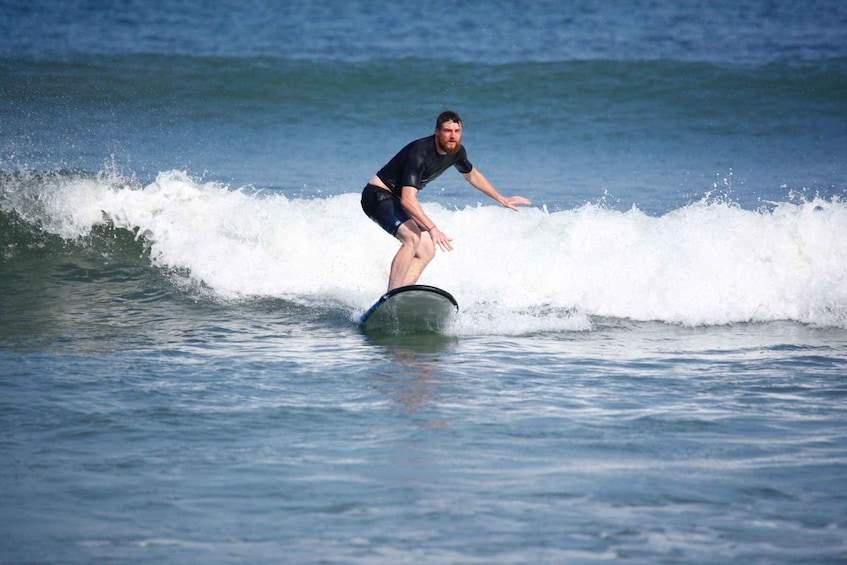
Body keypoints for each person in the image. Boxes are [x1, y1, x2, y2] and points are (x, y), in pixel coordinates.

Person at [361, 111, 532, 291]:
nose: (452, 136)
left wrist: (501, 198)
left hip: (395, 200)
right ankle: (391, 295)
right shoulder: (420, 152)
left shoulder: (457, 152)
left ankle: (401, 294)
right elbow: (408, 200)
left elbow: (472, 175)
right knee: (412, 238)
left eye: (457, 131)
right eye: (447, 131)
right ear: (437, 132)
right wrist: (433, 229)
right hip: (377, 195)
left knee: (427, 250)